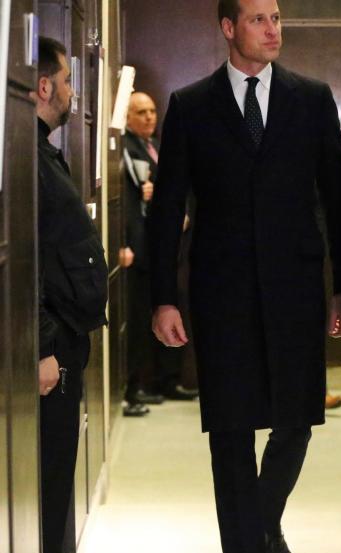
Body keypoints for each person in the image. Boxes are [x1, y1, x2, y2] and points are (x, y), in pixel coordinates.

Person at [148, 1, 341, 553]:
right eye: (259, 19)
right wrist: (163, 298)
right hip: (222, 294)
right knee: (231, 434)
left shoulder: (310, 99)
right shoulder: (190, 105)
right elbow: (167, 211)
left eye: (278, 18)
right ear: (228, 28)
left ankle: (261, 528)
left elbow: (337, 201)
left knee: (297, 422)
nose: (273, 29)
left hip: (296, 290)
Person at [35, 36, 109, 553]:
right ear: (44, 87)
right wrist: (41, 346)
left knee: (57, 476)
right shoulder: (25, 159)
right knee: (46, 482)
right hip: (50, 346)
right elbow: (21, 265)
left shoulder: (44, 151)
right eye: (67, 80)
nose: (72, 91)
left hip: (67, 339)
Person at [121, 91, 197, 418]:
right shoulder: (125, 148)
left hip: (167, 247)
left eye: (153, 111)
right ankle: (138, 385)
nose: (150, 117)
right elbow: (127, 200)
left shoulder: (154, 146)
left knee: (173, 306)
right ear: (126, 117)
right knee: (140, 319)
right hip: (140, 249)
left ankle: (168, 379)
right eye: (141, 112)